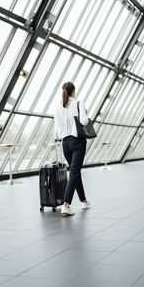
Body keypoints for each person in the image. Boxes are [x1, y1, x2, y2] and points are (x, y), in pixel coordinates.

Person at [54, 81, 91, 216]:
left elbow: (56, 132)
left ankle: (84, 200)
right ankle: (66, 204)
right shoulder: (78, 103)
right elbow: (84, 121)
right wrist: (85, 113)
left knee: (75, 172)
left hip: (65, 144)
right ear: (73, 91)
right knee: (74, 172)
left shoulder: (58, 107)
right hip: (77, 142)